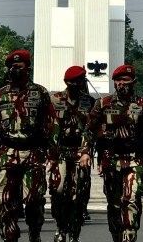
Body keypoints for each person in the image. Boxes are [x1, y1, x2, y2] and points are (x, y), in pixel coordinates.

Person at [0, 49, 54, 242]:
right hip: (6, 153)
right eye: (11, 67)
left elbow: (51, 126)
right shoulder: (0, 95)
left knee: (35, 200)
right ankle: (9, 236)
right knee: (6, 202)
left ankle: (34, 233)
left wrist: (52, 155)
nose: (14, 70)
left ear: (27, 68)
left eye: (18, 66)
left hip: (33, 153)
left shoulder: (40, 93)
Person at [80, 64, 143, 242]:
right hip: (111, 161)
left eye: (126, 80)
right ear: (114, 83)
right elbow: (89, 130)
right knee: (115, 204)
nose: (122, 84)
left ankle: (129, 233)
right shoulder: (103, 104)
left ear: (133, 82)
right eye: (118, 80)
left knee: (131, 200)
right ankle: (117, 234)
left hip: (135, 160)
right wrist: (85, 151)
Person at [49, 65, 96, 242]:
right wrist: (50, 155)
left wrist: (86, 151)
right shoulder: (55, 100)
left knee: (79, 196)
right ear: (67, 83)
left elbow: (90, 131)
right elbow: (50, 128)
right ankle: (60, 227)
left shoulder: (89, 102)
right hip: (60, 151)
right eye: (73, 82)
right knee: (59, 190)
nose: (77, 85)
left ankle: (75, 234)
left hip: (80, 153)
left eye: (80, 81)